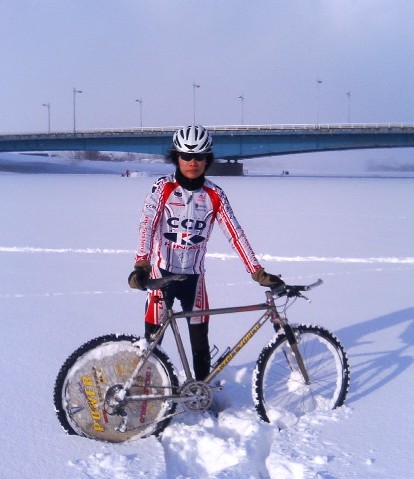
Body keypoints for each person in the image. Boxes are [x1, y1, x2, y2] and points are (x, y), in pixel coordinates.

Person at [128, 125, 285, 381]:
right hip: (161, 274)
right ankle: (140, 394)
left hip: (194, 280)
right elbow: (147, 224)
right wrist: (142, 264)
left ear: (207, 159)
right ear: (177, 157)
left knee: (200, 344)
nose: (193, 162)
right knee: (151, 342)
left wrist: (257, 272)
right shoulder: (163, 187)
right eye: (187, 156)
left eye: (200, 157)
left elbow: (236, 234)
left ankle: (200, 394)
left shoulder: (215, 194)